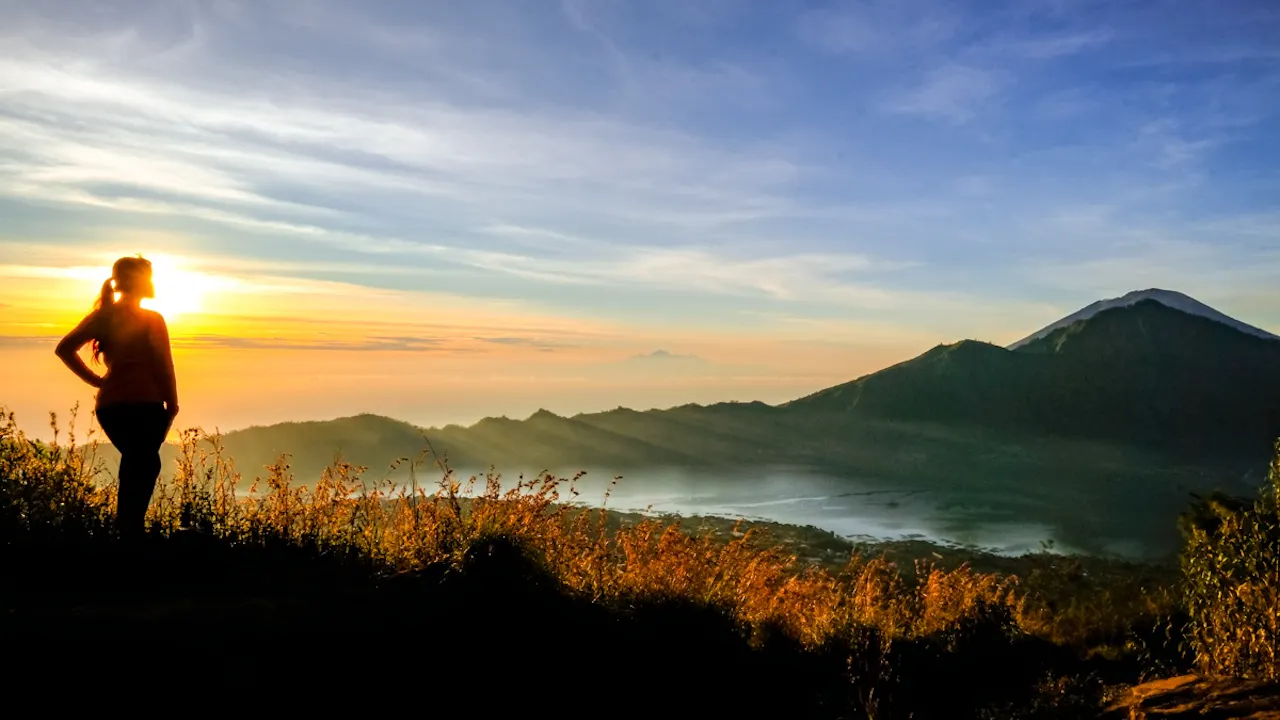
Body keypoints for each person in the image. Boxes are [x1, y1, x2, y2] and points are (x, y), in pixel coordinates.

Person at [55, 255, 179, 540]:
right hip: (145, 404)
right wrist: (172, 403)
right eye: (148, 276)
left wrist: (99, 382)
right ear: (138, 280)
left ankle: (127, 532)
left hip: (111, 406)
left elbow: (64, 349)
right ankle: (129, 534)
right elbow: (164, 364)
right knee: (145, 464)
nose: (152, 281)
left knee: (137, 462)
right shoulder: (152, 319)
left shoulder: (103, 316)